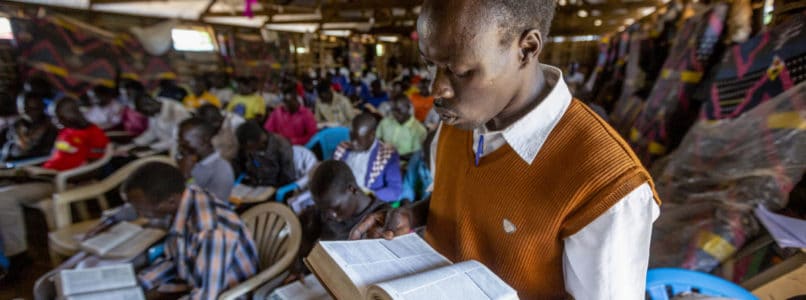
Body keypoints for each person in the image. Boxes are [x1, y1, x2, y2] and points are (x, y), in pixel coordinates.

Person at [349, 0, 661, 298]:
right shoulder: (459, 122)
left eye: (458, 71)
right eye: (431, 65)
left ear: (526, 49)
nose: (436, 89)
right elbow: (471, 198)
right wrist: (414, 214)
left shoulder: (607, 189)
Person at [123, 162, 258, 299]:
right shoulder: (186, 198)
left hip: (225, 294)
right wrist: (138, 283)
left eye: (142, 208)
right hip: (197, 283)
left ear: (170, 201)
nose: (140, 215)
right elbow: (176, 260)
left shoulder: (209, 231)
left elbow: (206, 296)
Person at [0, 97, 109, 260]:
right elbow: (56, 158)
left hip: (61, 181)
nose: (53, 121)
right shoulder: (66, 131)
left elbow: (96, 170)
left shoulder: (94, 134)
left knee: (3, 198)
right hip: (45, 176)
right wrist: (34, 170)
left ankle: (18, 257)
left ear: (70, 114)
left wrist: (59, 176)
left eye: (57, 117)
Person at [291, 160, 389, 276]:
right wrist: (299, 269)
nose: (330, 215)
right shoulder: (324, 211)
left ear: (352, 189)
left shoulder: (382, 216)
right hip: (324, 278)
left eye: (336, 208)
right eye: (323, 209)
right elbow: (306, 243)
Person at [333, 113, 402, 203]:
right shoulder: (342, 149)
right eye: (351, 137)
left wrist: (369, 195)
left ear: (372, 135)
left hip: (367, 202)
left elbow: (395, 190)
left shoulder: (387, 156)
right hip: (341, 197)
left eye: (358, 140)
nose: (353, 143)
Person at [177, 118, 235, 202]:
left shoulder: (222, 170)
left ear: (204, 140)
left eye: (186, 143)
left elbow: (212, 208)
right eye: (179, 142)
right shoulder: (190, 159)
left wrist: (187, 177)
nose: (180, 148)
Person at [0, 92, 58, 163]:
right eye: (25, 108)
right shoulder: (14, 126)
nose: (30, 112)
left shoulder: (53, 127)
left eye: (35, 108)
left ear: (42, 107)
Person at [234, 121, 295, 188]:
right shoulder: (250, 147)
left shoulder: (281, 147)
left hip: (275, 189)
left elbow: (287, 178)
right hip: (255, 186)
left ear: (250, 143)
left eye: (247, 148)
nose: (247, 151)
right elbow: (247, 169)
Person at [399, 132, 435, 204]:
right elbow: (409, 183)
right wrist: (407, 203)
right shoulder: (419, 156)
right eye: (424, 155)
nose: (423, 159)